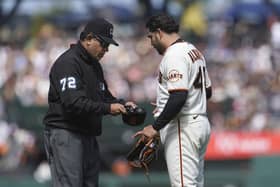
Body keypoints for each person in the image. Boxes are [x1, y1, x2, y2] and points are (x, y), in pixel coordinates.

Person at [43, 18, 135, 187]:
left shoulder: (94, 65)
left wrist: (123, 104)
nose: (106, 50)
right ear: (89, 38)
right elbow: (73, 102)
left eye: (108, 46)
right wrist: (108, 108)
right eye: (104, 44)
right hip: (66, 133)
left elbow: (104, 96)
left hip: (87, 135)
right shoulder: (68, 63)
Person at [134, 13, 212, 187]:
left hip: (182, 126)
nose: (151, 42)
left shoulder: (174, 55)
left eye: (151, 36)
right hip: (199, 123)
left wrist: (155, 127)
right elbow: (207, 92)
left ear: (159, 33)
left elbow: (178, 97)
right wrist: (165, 103)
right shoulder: (194, 51)